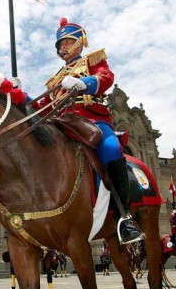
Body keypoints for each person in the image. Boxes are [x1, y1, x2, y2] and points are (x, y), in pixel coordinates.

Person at [34, 18, 142, 245]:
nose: (61, 48)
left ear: (79, 43)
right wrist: (19, 96)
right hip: (63, 124)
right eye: (59, 45)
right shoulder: (55, 79)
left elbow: (106, 77)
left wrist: (86, 83)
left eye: (65, 42)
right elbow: (41, 105)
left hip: (92, 120)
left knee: (111, 149)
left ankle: (125, 218)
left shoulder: (92, 60)